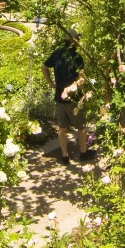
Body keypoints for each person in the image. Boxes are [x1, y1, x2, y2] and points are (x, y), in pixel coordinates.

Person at [43, 31, 91, 163]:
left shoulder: (57, 53)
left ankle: (65, 156)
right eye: (77, 39)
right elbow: (81, 79)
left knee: (62, 128)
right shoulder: (77, 57)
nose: (78, 41)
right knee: (81, 126)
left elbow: (44, 67)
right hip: (73, 98)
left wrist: (51, 83)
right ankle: (83, 152)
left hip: (59, 97)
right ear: (74, 41)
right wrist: (79, 85)